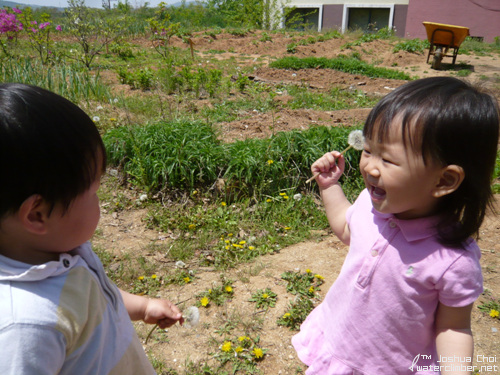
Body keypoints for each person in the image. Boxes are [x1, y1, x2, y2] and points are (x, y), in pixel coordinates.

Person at [292, 77, 499, 374]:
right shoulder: (368, 204)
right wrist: (329, 188)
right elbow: (348, 230)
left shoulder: (452, 261)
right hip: (339, 338)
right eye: (367, 149)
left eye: (387, 159)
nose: (369, 166)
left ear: (444, 180)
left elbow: (453, 330)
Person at [0, 83, 183, 374]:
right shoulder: (24, 329)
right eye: (95, 191)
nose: (100, 201)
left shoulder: (57, 252)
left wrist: (143, 306)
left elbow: (90, 296)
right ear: (37, 215)